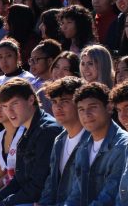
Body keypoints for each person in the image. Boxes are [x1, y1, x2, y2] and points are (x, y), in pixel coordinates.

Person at [0, 78, 62, 205]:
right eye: (5, 106)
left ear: (31, 100)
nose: (9, 111)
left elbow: (38, 186)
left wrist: (3, 203)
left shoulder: (47, 131)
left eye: (14, 104)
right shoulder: (27, 129)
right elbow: (18, 179)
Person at [65, 82, 128, 205]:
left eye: (93, 107)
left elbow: (109, 197)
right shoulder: (83, 146)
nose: (86, 114)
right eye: (81, 109)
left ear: (109, 107)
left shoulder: (123, 146)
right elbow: (75, 194)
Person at [38, 77, 88, 206]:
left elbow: (82, 193)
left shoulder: (92, 140)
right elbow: (50, 184)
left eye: (65, 101)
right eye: (54, 102)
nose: (58, 107)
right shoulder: (59, 140)